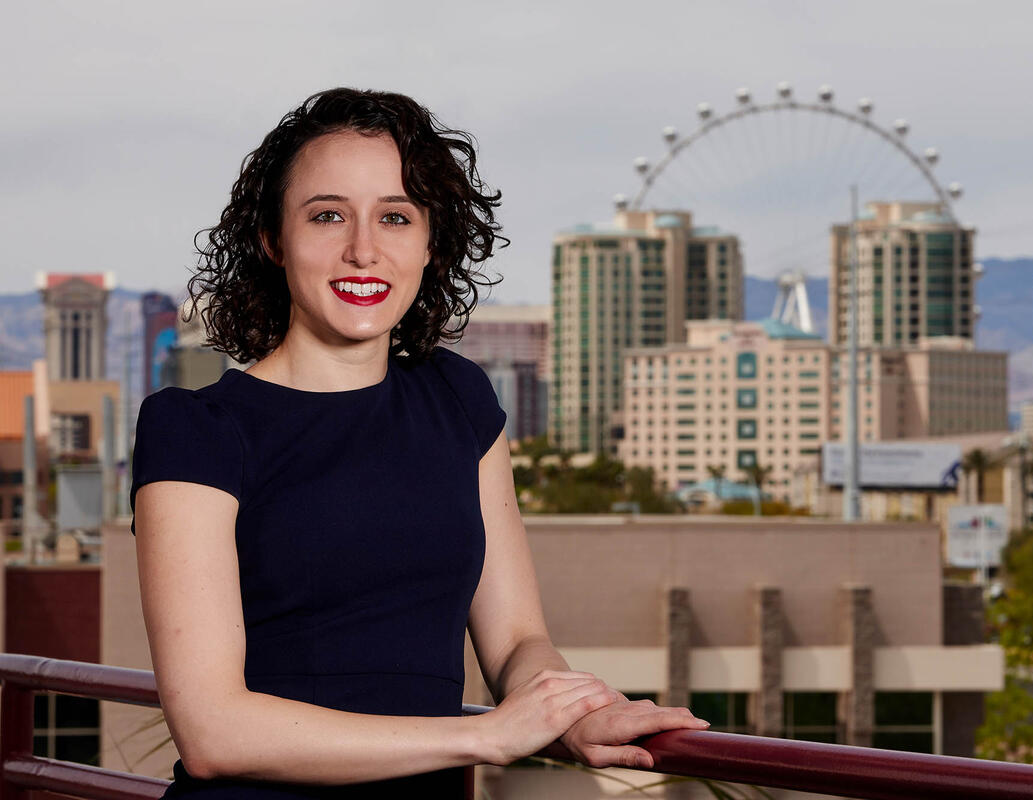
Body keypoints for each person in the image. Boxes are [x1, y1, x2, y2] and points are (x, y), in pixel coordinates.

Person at [130, 88, 707, 798]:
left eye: (396, 217)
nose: (363, 250)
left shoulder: (458, 399)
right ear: (273, 240)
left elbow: (518, 642)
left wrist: (576, 712)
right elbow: (214, 734)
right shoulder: (195, 430)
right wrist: (484, 738)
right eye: (327, 215)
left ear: (432, 244)